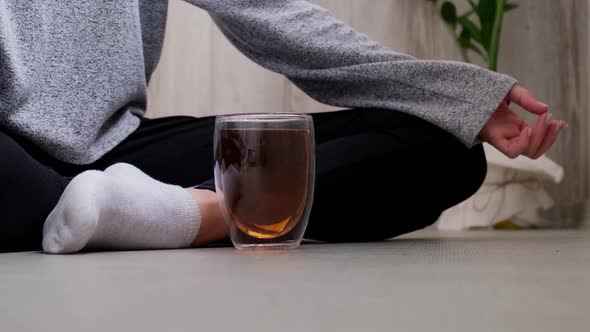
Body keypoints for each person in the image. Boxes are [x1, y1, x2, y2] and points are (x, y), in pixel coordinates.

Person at [0, 1, 566, 253]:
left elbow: (272, 15)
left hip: (119, 150)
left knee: (443, 143)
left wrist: (452, 93)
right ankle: (108, 216)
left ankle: (187, 215)